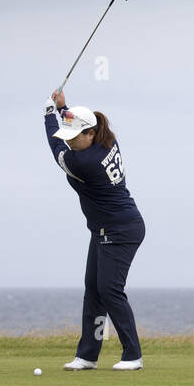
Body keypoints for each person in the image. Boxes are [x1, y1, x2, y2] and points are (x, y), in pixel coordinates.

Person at [43, 89, 145, 371]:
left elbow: (56, 151)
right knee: (93, 290)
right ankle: (88, 355)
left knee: (109, 290)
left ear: (89, 135)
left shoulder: (83, 162)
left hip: (121, 229)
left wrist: (48, 115)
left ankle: (132, 355)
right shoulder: (106, 137)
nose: (70, 143)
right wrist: (63, 109)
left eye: (73, 139)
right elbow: (79, 123)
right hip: (105, 228)